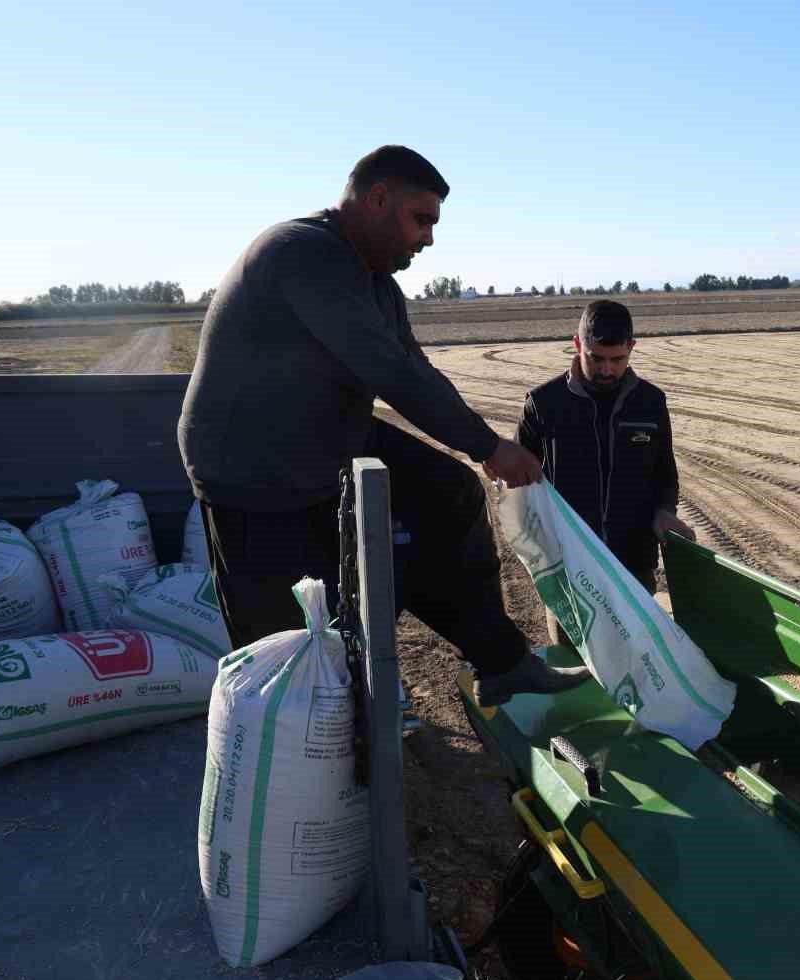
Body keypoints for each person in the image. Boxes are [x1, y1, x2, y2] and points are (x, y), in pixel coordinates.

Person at [177, 145, 588, 706]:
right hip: (253, 466)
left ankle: (502, 663)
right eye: (422, 219)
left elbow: (416, 367)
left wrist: (483, 447)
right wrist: (487, 445)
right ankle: (302, 744)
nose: (429, 239)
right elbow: (388, 370)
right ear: (376, 198)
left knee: (448, 495)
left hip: (326, 437)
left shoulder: (375, 284)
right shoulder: (302, 253)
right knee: (291, 636)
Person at [516, 299, 695, 647]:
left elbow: (664, 472)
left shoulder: (651, 403)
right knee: (576, 662)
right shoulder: (543, 405)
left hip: (634, 566)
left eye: (617, 360)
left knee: (638, 661)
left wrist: (664, 512)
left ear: (632, 348)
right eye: (596, 358)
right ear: (577, 344)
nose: (606, 370)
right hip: (569, 568)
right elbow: (518, 485)